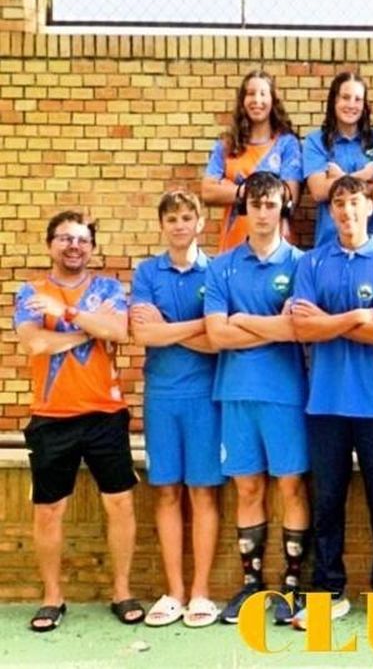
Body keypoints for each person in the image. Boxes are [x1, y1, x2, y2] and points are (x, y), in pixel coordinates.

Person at [286, 175, 373, 629]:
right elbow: (302, 328)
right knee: (328, 503)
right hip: (325, 404)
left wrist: (329, 321)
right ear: (331, 211)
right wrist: (357, 315)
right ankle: (328, 590)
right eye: (338, 203)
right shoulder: (313, 262)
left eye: (354, 203)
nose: (346, 211)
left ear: (369, 207)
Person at [16, 210, 140, 631]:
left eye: (82, 239)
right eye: (65, 238)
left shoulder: (108, 287)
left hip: (106, 413)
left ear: (92, 246)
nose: (74, 245)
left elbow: (120, 331)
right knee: (49, 509)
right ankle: (53, 597)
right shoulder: (30, 291)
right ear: (50, 243)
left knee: (119, 503)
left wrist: (64, 314)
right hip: (51, 416)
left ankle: (121, 592)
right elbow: (35, 343)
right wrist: (89, 328)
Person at [202, 172, 308, 626]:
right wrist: (267, 326)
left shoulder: (303, 264)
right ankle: (252, 584)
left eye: (271, 204)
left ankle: (293, 586)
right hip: (235, 392)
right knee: (248, 487)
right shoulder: (221, 266)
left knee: (291, 486)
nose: (263, 213)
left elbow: (297, 329)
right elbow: (216, 334)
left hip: (286, 393)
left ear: (283, 207)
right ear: (244, 209)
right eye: (255, 204)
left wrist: (243, 320)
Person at [129, 192, 222, 628]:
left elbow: (215, 338)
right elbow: (143, 334)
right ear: (161, 225)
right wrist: (191, 328)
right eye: (173, 218)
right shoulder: (147, 272)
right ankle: (174, 592)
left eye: (188, 217)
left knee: (203, 491)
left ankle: (201, 592)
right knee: (166, 491)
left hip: (205, 394)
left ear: (200, 222)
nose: (181, 224)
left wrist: (166, 328)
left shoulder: (217, 270)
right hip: (161, 397)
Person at [200, 70, 301, 252]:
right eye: (251, 93)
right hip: (233, 244)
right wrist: (249, 189)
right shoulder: (227, 145)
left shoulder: (287, 144)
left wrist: (232, 188)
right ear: (242, 101)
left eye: (263, 94)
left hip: (275, 248)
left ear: (273, 100)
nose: (257, 100)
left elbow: (290, 194)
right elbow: (207, 191)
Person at [302, 71, 373, 250]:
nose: (351, 105)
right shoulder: (315, 141)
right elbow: (319, 191)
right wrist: (363, 176)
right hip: (329, 244)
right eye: (345, 97)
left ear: (364, 105)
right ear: (334, 101)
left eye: (358, 99)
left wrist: (338, 179)